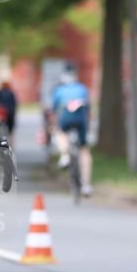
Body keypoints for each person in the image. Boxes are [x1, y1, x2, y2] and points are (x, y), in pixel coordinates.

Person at [51, 64, 94, 196]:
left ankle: (65, 156)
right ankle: (86, 184)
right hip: (81, 116)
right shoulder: (82, 88)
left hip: (65, 114)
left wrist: (53, 125)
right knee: (84, 149)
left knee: (60, 132)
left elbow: (54, 110)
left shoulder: (59, 90)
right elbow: (89, 110)